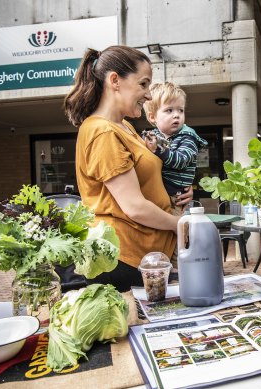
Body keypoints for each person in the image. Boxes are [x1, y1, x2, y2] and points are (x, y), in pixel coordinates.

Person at [63, 45, 192, 292]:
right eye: (143, 84)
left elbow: (144, 184)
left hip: (143, 256)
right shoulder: (103, 132)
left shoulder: (124, 126)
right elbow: (134, 207)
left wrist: (175, 194)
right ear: (115, 81)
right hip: (123, 261)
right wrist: (182, 225)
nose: (148, 96)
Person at [142, 82, 208, 216]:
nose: (177, 115)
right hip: (158, 193)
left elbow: (181, 160)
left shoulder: (188, 137)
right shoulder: (155, 136)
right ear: (152, 117)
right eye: (169, 110)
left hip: (175, 197)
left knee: (175, 230)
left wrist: (158, 150)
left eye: (180, 110)